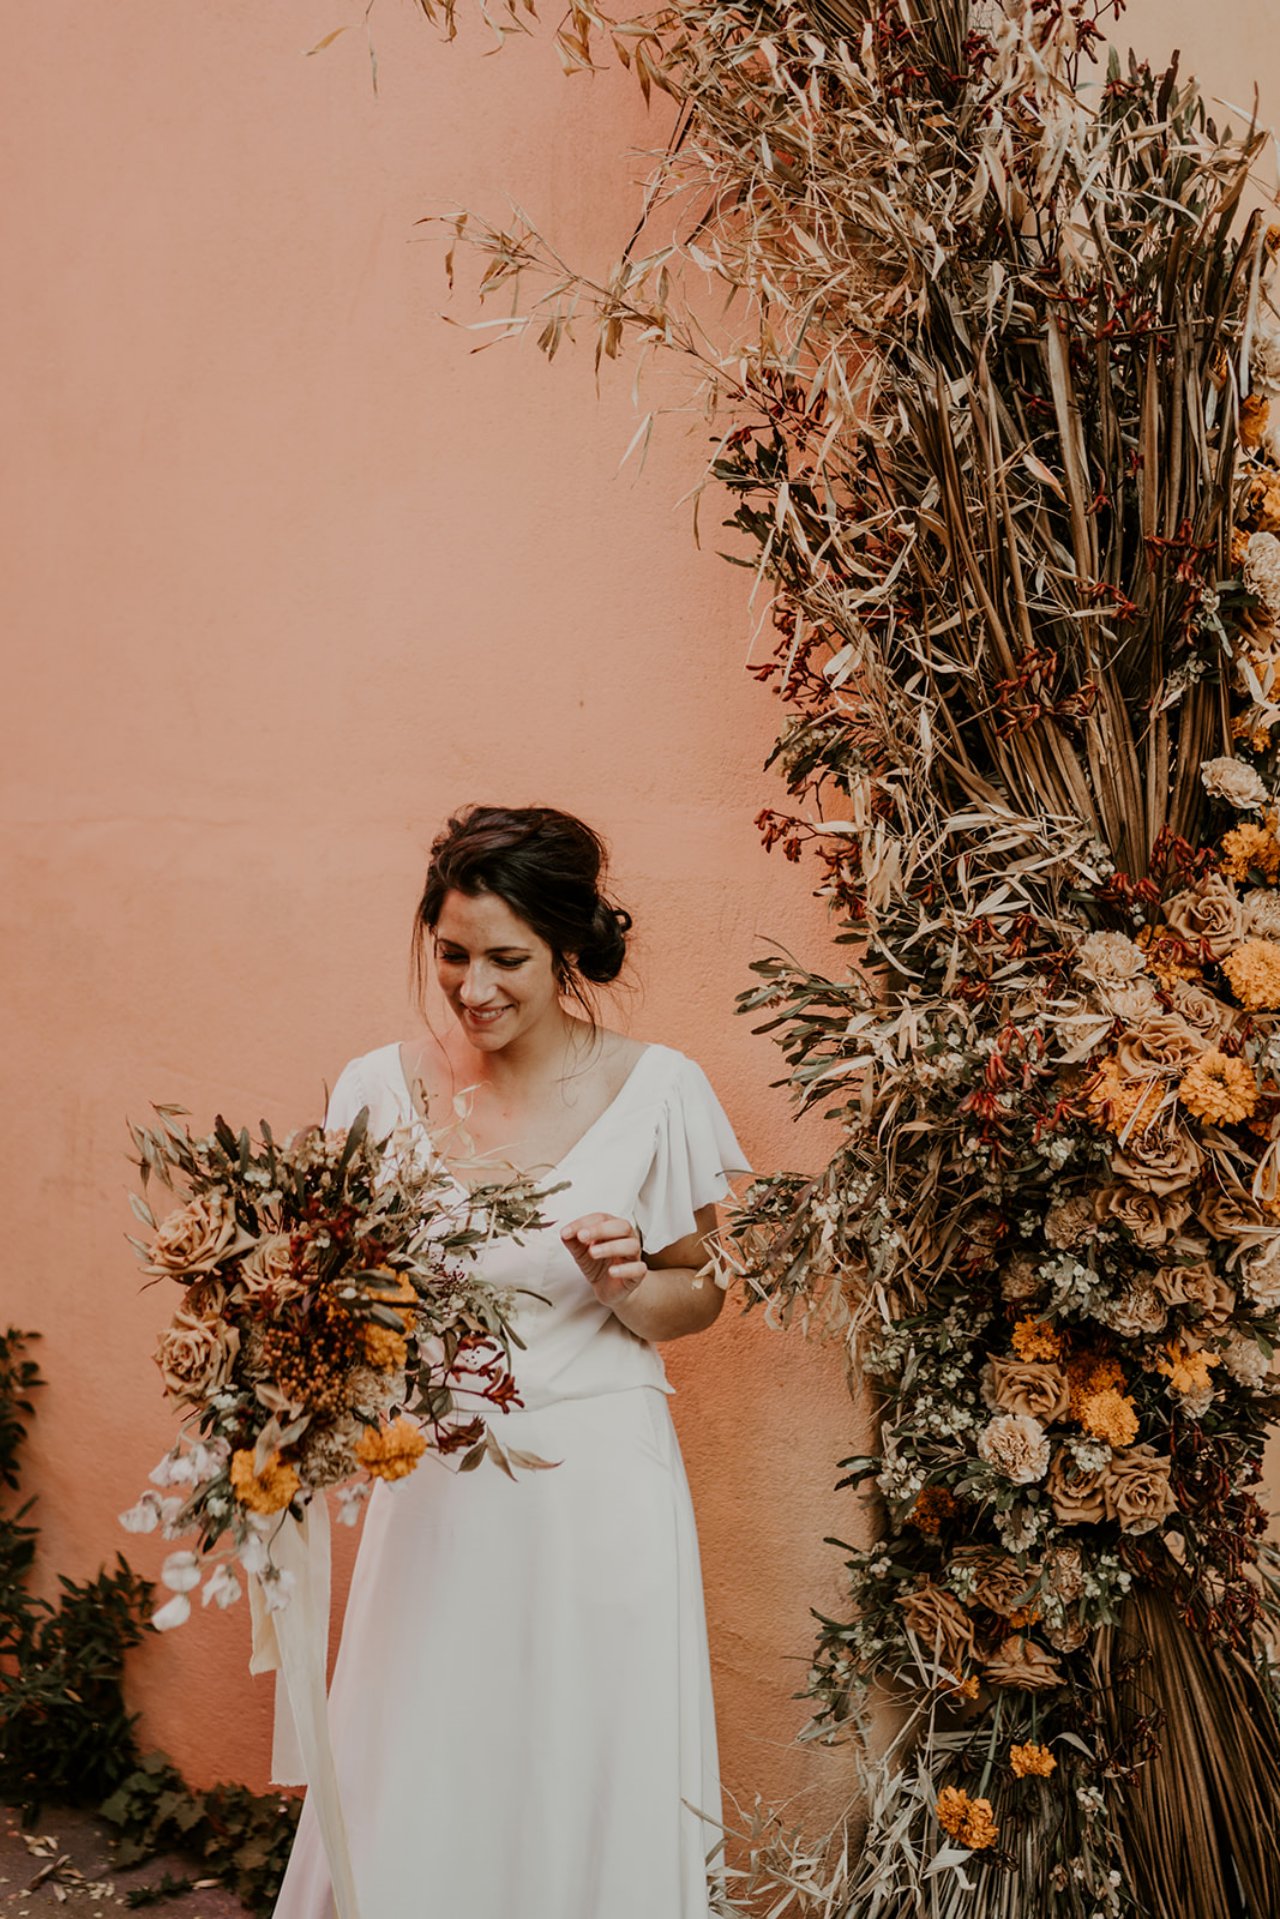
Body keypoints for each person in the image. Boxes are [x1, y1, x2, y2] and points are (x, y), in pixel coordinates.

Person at [271, 802, 753, 1919]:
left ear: (568, 950)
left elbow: (700, 1296)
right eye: (450, 953)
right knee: (424, 1742)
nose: (473, 986)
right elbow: (338, 1291)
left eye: (505, 959)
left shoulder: (658, 1088)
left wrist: (632, 1283)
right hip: (431, 1481)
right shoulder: (373, 1091)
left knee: (582, 1751)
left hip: (597, 1482)